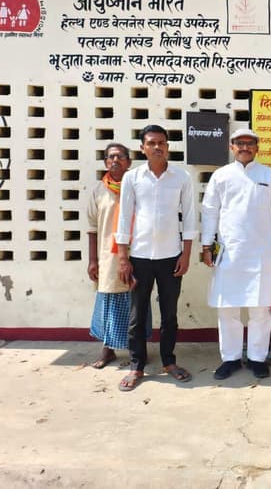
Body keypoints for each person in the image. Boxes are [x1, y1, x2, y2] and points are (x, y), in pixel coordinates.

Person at [201, 128, 271, 380]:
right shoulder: (221, 176)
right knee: (227, 309)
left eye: (250, 143)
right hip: (229, 252)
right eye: (240, 143)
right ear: (232, 147)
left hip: (262, 253)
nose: (245, 147)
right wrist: (206, 246)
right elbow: (210, 212)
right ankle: (230, 358)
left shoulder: (269, 176)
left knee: (260, 309)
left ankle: (257, 358)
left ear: (257, 148)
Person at [116, 125, 197, 391]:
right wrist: (123, 257)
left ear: (168, 147)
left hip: (171, 257)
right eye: (151, 143)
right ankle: (136, 366)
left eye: (161, 142)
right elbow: (124, 217)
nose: (157, 147)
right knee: (137, 316)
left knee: (169, 314)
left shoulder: (181, 177)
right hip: (139, 257)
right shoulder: (132, 178)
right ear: (143, 148)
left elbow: (190, 217)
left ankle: (169, 362)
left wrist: (186, 254)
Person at [87, 143, 136, 368]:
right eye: (110, 157)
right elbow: (92, 228)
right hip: (108, 256)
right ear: (105, 162)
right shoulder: (99, 191)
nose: (115, 161)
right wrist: (92, 260)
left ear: (129, 162)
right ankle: (108, 350)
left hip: (136, 253)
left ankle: (137, 350)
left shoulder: (136, 186)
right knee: (109, 302)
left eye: (120, 157)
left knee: (136, 302)